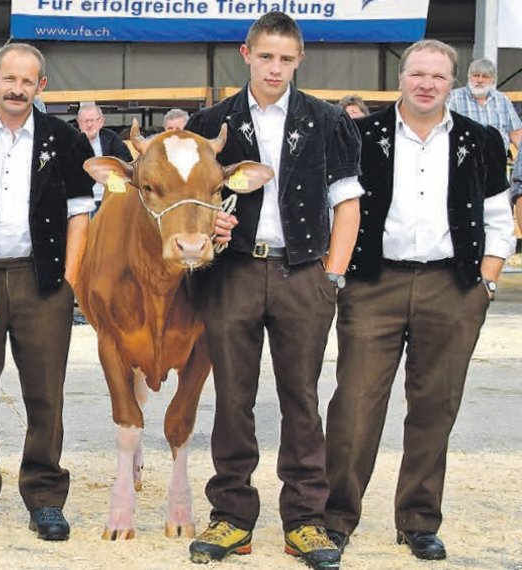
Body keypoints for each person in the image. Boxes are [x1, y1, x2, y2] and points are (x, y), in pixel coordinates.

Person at [184, 12, 362, 569]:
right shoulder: (211, 123)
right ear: (247, 54)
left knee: (301, 398)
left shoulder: (328, 120)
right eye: (266, 56)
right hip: (232, 273)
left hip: (304, 272)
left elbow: (347, 204)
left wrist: (332, 275)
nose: (275, 68)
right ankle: (232, 516)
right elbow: (191, 204)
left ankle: (305, 519)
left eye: (286, 58)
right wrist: (209, 224)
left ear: (299, 59)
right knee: (232, 396)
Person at [324, 39, 512, 562]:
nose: (427, 84)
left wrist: (486, 283)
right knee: (355, 404)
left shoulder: (480, 139)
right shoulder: (361, 134)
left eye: (438, 75)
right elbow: (332, 207)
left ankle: (418, 520)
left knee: (435, 406)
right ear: (401, 77)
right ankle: (335, 517)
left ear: (453, 82)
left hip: (452, 286)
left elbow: (499, 219)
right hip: (373, 284)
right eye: (418, 74)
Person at [0, 42, 92, 543]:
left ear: (41, 86)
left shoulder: (66, 139)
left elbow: (80, 213)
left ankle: (45, 496)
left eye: (27, 81)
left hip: (42, 279)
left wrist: (69, 280)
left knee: (45, 392)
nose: (17, 89)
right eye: (9, 78)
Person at [447, 58, 522, 149]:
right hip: (465, 155)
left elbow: (516, 133)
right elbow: (444, 131)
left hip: (498, 156)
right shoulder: (454, 98)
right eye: (476, 75)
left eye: (485, 77)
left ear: (493, 80)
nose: (480, 80)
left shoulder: (502, 99)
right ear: (469, 77)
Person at [75, 102, 134, 209]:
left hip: (109, 197)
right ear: (79, 122)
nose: (89, 125)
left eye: (93, 120)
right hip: (81, 199)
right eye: (85, 121)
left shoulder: (111, 138)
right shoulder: (70, 140)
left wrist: (108, 173)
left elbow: (126, 160)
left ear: (101, 122)